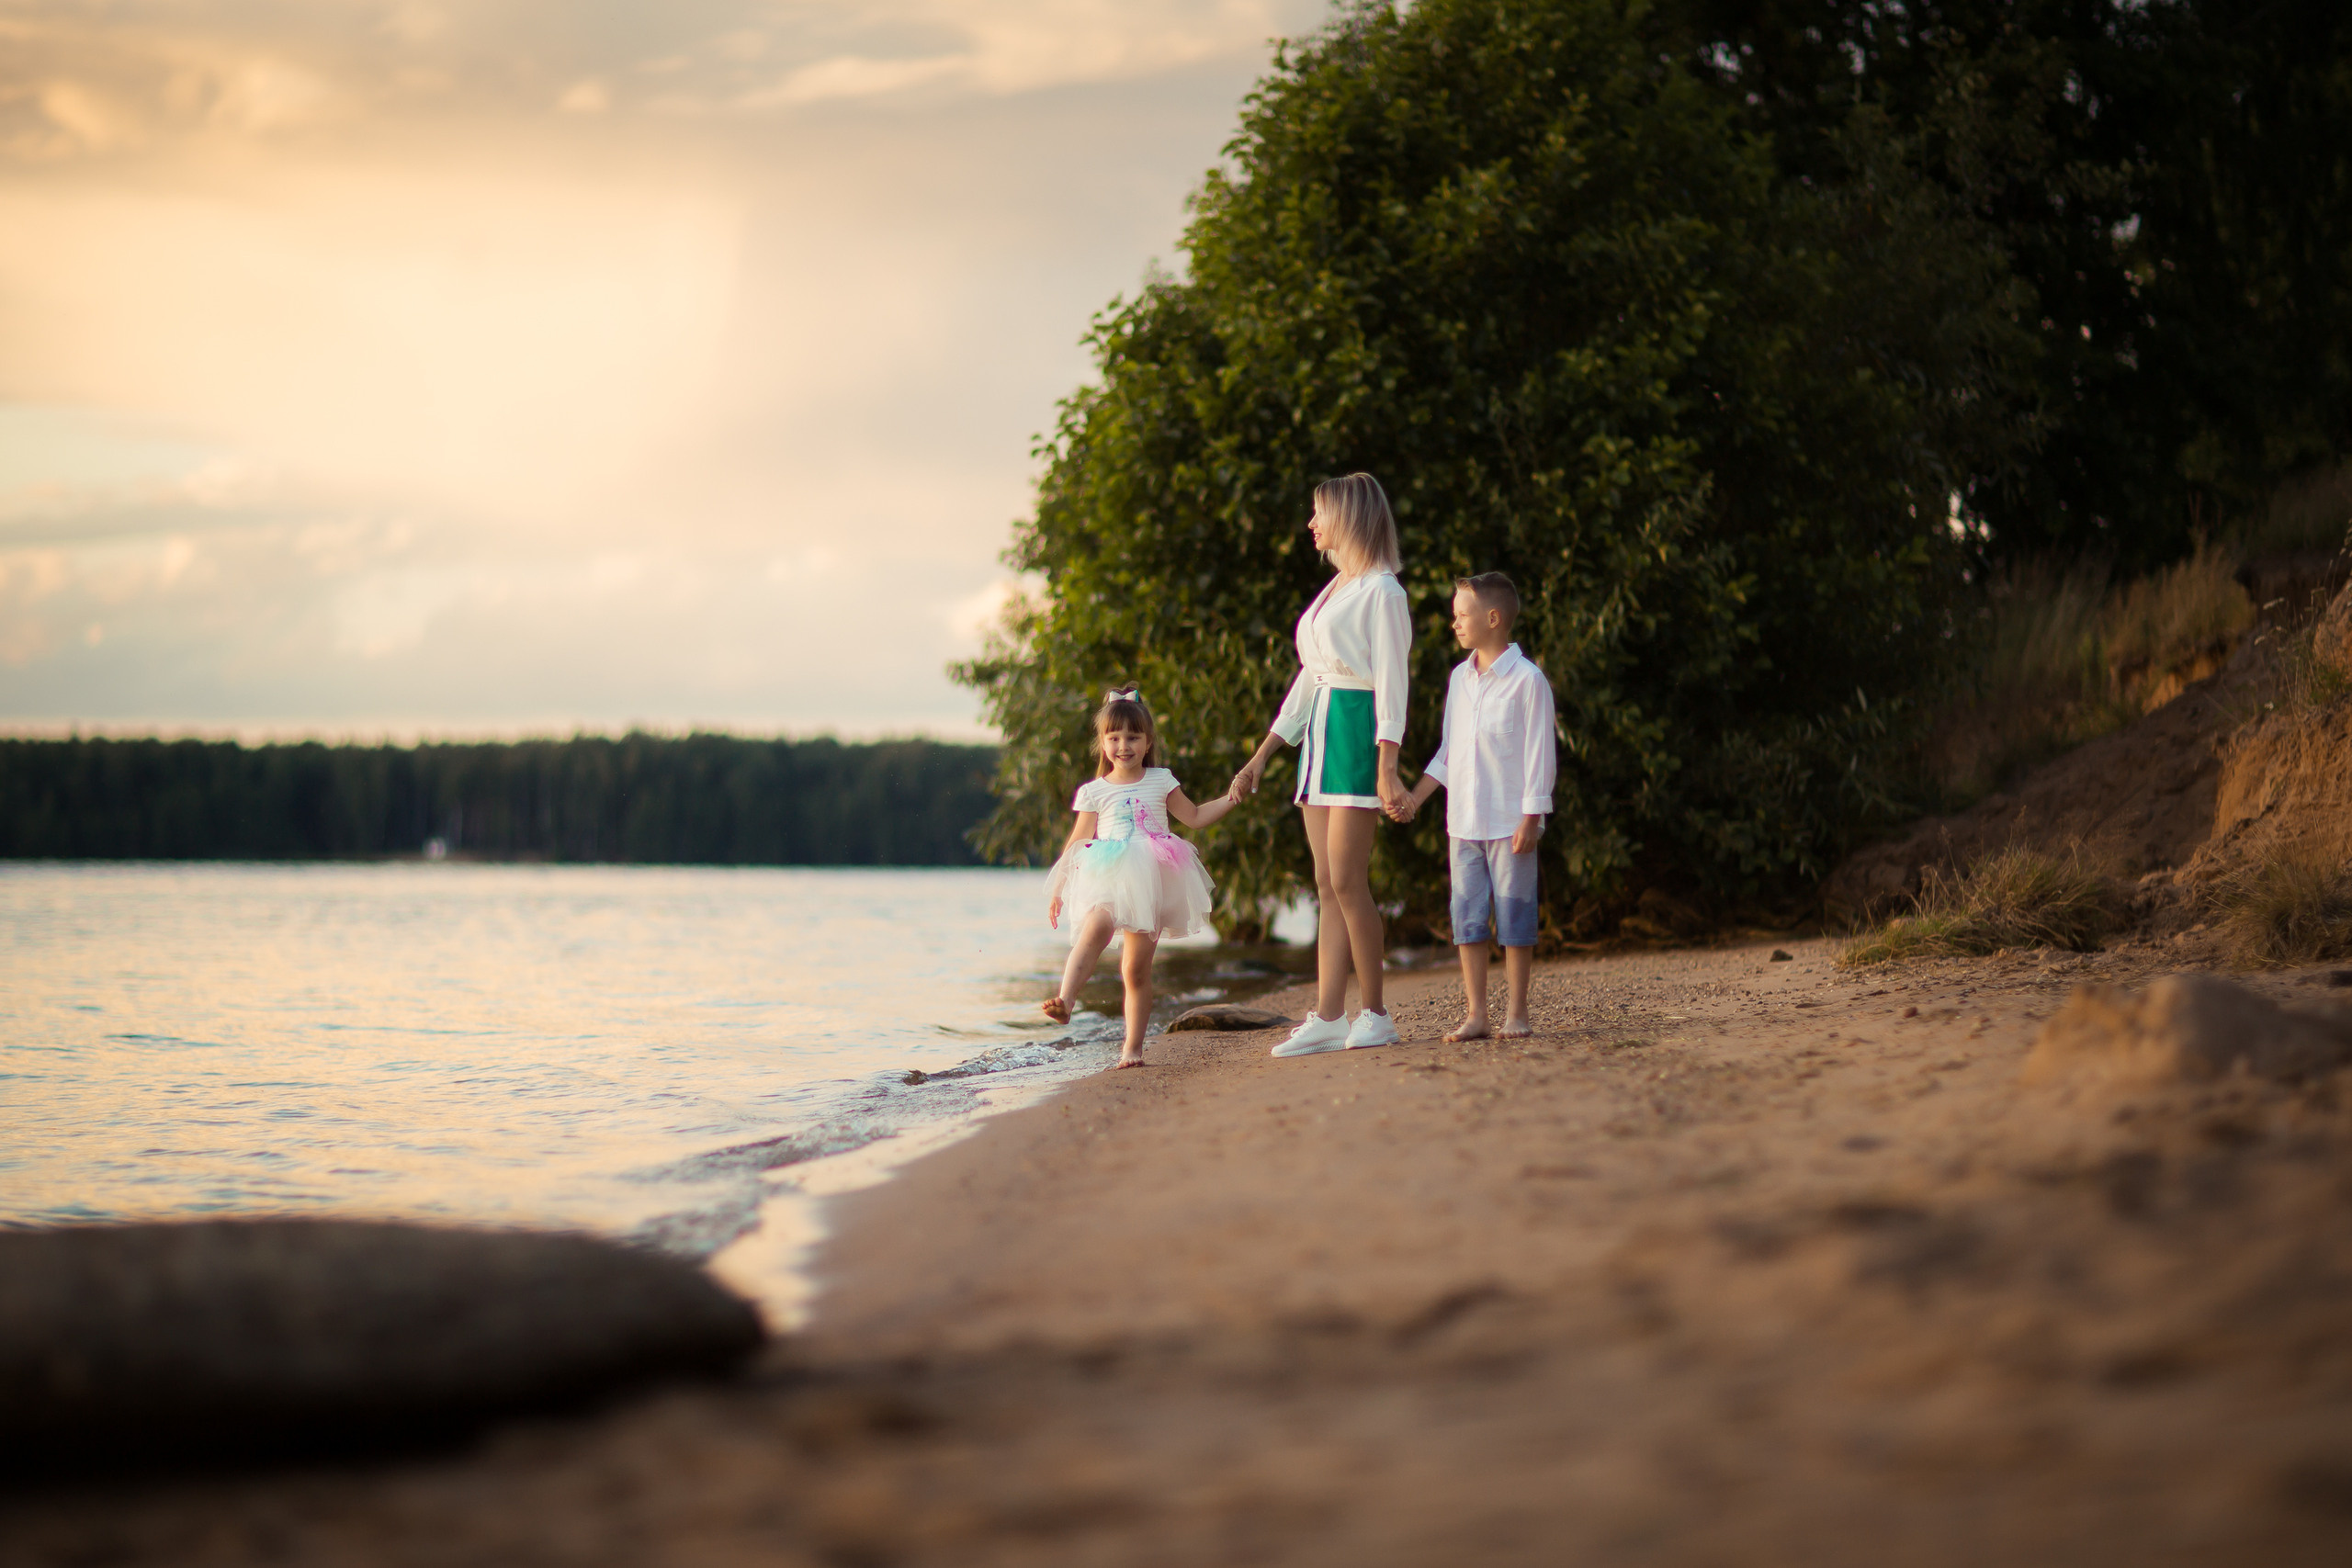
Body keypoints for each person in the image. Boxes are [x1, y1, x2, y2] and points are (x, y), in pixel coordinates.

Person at [1227, 473, 1413, 1056]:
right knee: (1325, 885)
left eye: (1319, 514)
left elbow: (1392, 683)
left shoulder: (1383, 591)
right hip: (1320, 740)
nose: (1311, 524)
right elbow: (1311, 677)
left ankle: (1376, 1014)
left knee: (1348, 881)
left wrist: (1388, 766)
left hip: (1357, 734)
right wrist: (1263, 754)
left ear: (1349, 517)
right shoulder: (1338, 586)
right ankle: (1330, 1016)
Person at [1396, 572, 1555, 1041]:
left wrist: (1532, 815)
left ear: (1493, 618)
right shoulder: (1459, 679)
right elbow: (1449, 751)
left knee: (1515, 916)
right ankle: (1476, 1015)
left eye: (1461, 614)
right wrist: (1415, 798)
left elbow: (1539, 753)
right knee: (1466, 918)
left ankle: (1518, 1014)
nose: (1455, 623)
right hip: (1463, 822)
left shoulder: (1528, 682)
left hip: (1510, 822)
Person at [1045, 688, 1236, 1068]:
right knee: (1094, 929)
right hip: (1109, 874)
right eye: (1114, 738)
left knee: (1134, 969)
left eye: (1133, 737)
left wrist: (1232, 798)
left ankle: (1132, 1048)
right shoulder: (1094, 791)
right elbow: (1078, 841)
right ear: (1102, 743)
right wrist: (1060, 887)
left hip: (1153, 876)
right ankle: (1066, 1000)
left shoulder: (1161, 779)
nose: (1123, 746)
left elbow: (1194, 817)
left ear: (1148, 742)